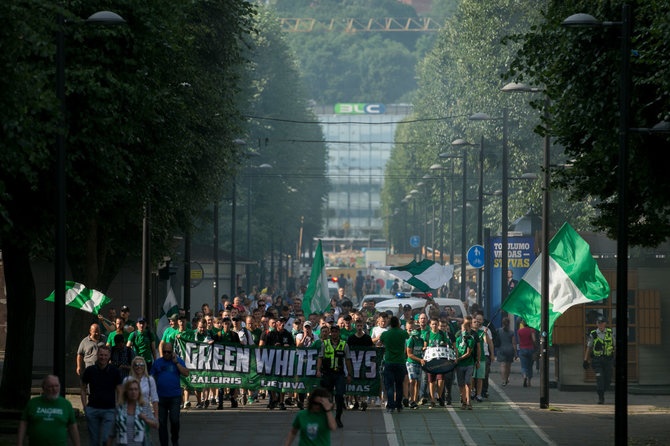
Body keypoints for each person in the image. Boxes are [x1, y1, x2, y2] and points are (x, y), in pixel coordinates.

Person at [18, 375, 80, 446]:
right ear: (43, 388)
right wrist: (19, 443)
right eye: (51, 386)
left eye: (57, 386)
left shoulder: (66, 404)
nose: (54, 389)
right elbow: (23, 424)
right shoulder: (33, 403)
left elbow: (73, 427)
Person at [81, 345, 123, 446]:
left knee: (106, 439)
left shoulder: (114, 371)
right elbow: (82, 388)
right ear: (97, 355)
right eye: (101, 355)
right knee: (94, 440)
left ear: (109, 356)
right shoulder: (90, 370)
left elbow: (120, 390)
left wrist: (119, 407)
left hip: (109, 410)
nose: (103, 357)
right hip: (92, 409)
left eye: (105, 355)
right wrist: (84, 406)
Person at [151, 342, 189, 446]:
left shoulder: (177, 361)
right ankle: (164, 443)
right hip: (161, 397)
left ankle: (175, 439)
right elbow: (151, 377)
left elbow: (186, 373)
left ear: (172, 351)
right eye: (164, 352)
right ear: (162, 352)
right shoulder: (157, 363)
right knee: (162, 422)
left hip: (175, 397)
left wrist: (176, 363)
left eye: (169, 352)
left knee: (175, 420)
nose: (167, 354)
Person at [316, 325, 354, 427]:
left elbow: (347, 360)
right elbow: (320, 358)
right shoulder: (325, 344)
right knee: (328, 398)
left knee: (340, 396)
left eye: (336, 332)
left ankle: (338, 418)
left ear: (339, 333)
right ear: (330, 333)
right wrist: (318, 370)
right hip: (327, 374)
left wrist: (349, 374)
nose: (334, 333)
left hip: (339, 374)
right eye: (332, 332)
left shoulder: (344, 345)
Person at [108, 378, 158, 446]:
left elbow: (156, 425)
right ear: (126, 392)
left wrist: (146, 419)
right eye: (131, 389)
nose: (133, 392)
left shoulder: (144, 406)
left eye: (136, 389)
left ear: (139, 391)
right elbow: (112, 430)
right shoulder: (119, 407)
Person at [379, 316, 409, 413]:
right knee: (399, 385)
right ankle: (398, 405)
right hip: (400, 362)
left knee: (389, 385)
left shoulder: (385, 334)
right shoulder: (402, 333)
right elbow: (407, 335)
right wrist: (399, 327)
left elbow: (380, 343)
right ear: (398, 324)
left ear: (390, 324)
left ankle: (390, 405)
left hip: (389, 362)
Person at [584, 315, 615, 404]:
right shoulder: (593, 334)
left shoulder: (610, 333)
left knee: (608, 380)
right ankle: (601, 398)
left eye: (602, 323)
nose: (600, 325)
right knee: (599, 379)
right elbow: (589, 347)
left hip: (608, 360)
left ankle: (602, 391)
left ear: (605, 324)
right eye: (598, 323)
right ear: (596, 324)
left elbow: (614, 346)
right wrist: (585, 360)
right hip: (597, 361)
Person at [124, 356, 159, 421]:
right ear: (133, 366)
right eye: (136, 364)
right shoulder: (127, 380)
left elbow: (154, 399)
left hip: (146, 414)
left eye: (141, 364)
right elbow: (123, 399)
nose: (139, 366)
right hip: (130, 414)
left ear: (145, 366)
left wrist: (156, 417)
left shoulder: (150, 380)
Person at [455, 316, 476, 410]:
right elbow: (456, 350)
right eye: (463, 329)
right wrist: (455, 358)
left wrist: (458, 358)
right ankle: (463, 401)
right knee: (461, 384)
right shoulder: (458, 339)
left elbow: (468, 353)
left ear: (469, 329)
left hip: (468, 363)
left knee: (468, 382)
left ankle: (468, 401)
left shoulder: (470, 339)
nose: (464, 331)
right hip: (459, 365)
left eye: (466, 329)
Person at [496, 317, 517, 386]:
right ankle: (507, 378)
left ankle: (503, 380)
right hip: (510, 350)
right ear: (509, 323)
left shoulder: (498, 331)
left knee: (503, 365)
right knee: (508, 366)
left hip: (501, 349)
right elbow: (514, 343)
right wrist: (516, 353)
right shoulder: (511, 332)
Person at [517, 319, 537, 388]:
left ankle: (524, 376)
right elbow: (534, 340)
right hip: (530, 349)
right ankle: (529, 382)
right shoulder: (532, 330)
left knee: (523, 366)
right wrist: (535, 346)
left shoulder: (519, 331)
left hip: (522, 349)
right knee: (530, 366)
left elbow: (519, 341)